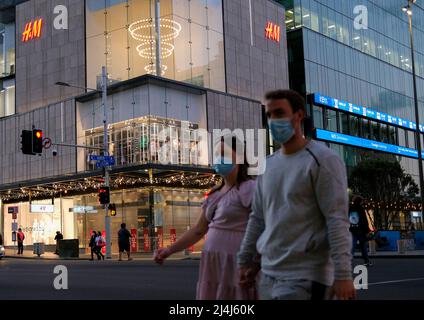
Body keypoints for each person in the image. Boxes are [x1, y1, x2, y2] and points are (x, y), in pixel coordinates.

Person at [237, 89, 355, 300]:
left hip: (306, 276)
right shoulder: (268, 165)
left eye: (280, 113)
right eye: (269, 115)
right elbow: (258, 218)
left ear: (299, 115)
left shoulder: (322, 160)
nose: (273, 121)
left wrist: (343, 274)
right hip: (268, 275)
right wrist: (246, 262)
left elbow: (336, 220)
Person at [154, 136, 257, 300]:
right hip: (213, 264)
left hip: (237, 263)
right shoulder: (214, 193)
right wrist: (168, 250)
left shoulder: (250, 188)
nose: (219, 158)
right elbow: (198, 230)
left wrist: (255, 262)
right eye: (217, 154)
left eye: (224, 153)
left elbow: (263, 228)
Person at [349, 196, 372, 266]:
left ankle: (348, 263)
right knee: (363, 247)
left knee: (352, 247)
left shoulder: (349, 208)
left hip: (352, 230)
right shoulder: (361, 209)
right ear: (360, 202)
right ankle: (367, 261)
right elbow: (364, 221)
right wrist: (367, 231)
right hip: (361, 231)